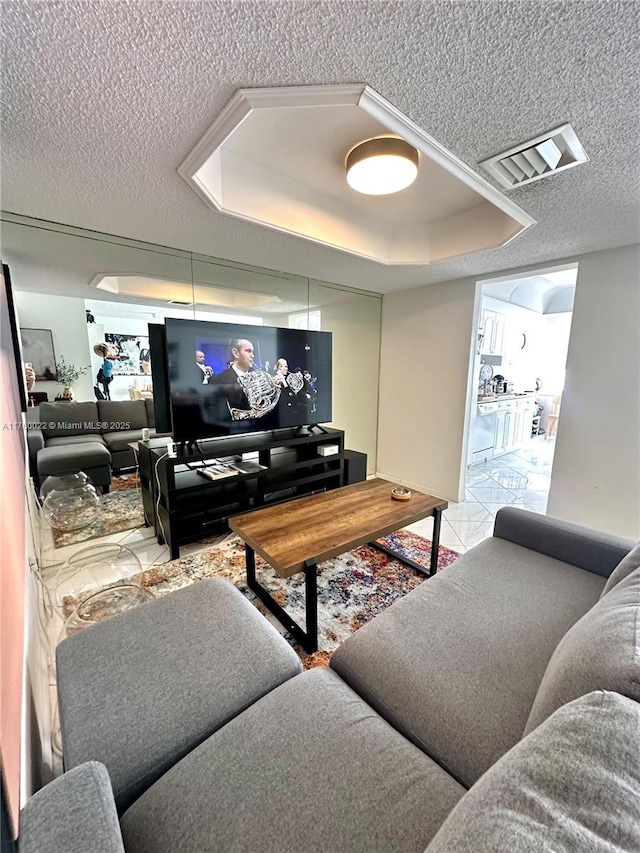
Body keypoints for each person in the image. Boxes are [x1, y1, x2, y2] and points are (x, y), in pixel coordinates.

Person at [213, 338, 278, 421]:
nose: (252, 356)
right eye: (248, 351)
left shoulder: (261, 375)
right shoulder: (218, 379)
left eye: (253, 352)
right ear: (236, 353)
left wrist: (275, 390)